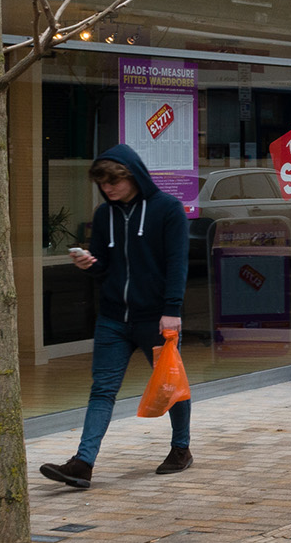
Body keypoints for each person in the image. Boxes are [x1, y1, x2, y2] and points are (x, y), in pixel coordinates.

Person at [39, 145, 193, 488]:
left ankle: (180, 449)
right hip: (112, 318)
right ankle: (83, 463)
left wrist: (172, 311)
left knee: (171, 387)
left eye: (114, 182)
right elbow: (106, 266)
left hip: (155, 318)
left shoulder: (168, 210)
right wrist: (90, 265)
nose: (108, 188)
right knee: (102, 389)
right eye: (103, 183)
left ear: (133, 176)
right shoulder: (105, 215)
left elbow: (177, 264)